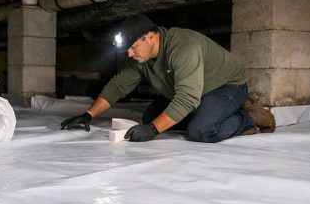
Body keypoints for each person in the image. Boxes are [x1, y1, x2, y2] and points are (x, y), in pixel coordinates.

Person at [60, 14, 275, 142]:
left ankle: (247, 118)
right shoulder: (139, 58)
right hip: (189, 89)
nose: (129, 54)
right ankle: (207, 112)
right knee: (149, 118)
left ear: (151, 37)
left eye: (133, 48)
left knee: (201, 130)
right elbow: (118, 86)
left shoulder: (183, 47)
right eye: (127, 50)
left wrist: (154, 130)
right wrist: (88, 115)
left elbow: (187, 98)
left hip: (226, 86)